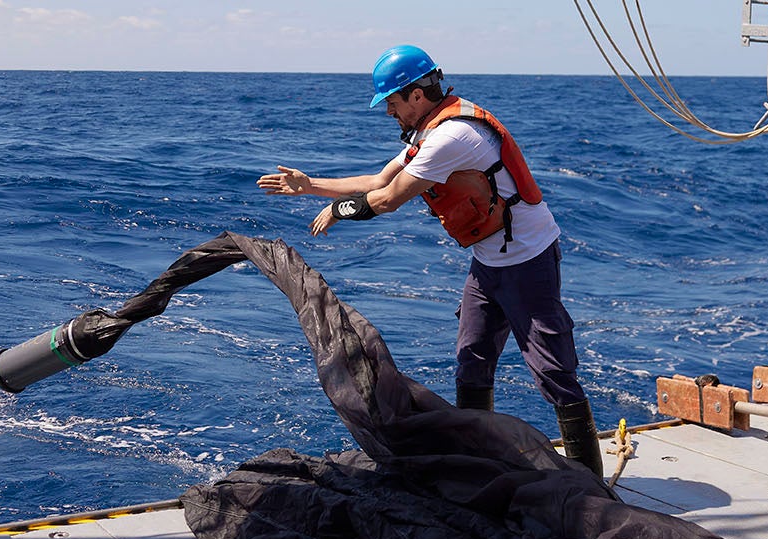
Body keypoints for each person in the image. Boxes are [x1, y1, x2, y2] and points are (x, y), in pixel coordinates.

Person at [256, 45, 604, 477]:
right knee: (472, 359)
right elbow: (378, 179)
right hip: (488, 262)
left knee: (552, 370)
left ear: (416, 96)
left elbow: (389, 198)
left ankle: (592, 480)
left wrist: (339, 211)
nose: (389, 113)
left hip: (527, 259)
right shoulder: (429, 133)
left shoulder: (452, 137)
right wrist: (310, 186)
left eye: (392, 103)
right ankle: (481, 467)